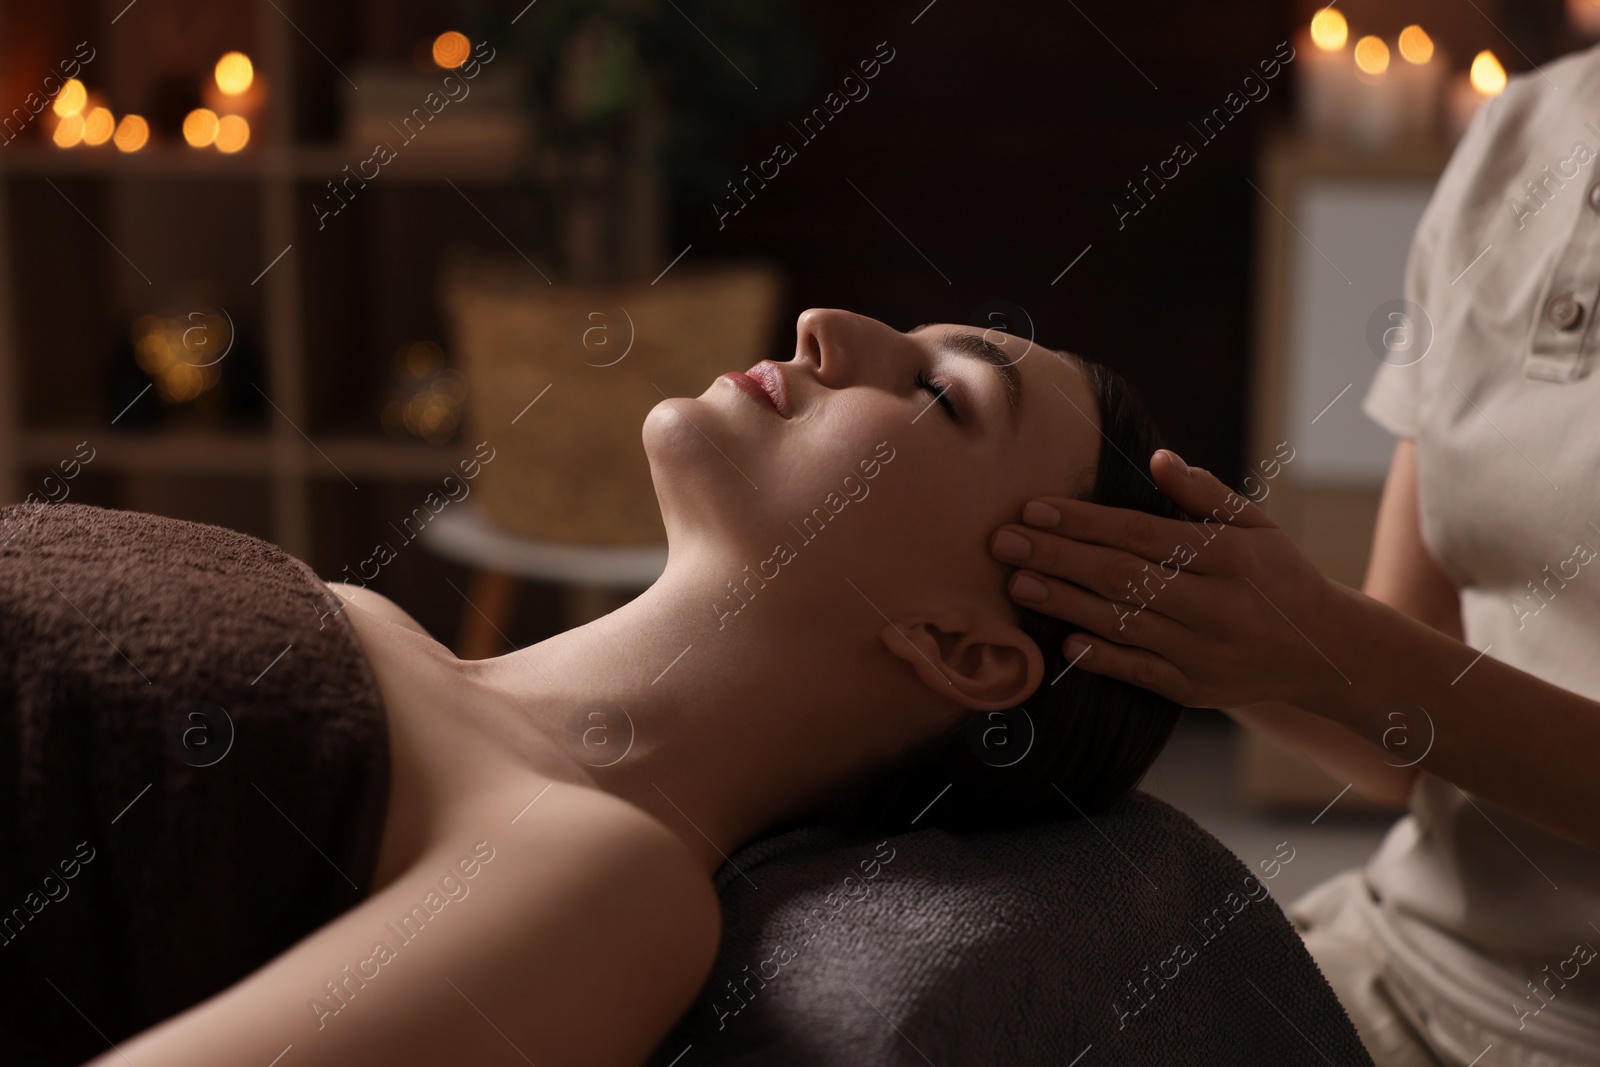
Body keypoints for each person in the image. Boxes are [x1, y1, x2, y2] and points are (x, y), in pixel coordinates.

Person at [77, 310, 1185, 1067]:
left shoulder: (605, 881)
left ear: (963, 647)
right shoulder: (366, 616)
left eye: (943, 395)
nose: (830, 328)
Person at [987, 44, 1600, 1067]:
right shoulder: (1520, 138)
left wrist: (1321, 644)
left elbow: (1363, 667)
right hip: (1403, 963)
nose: (819, 335)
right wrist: (1198, 626)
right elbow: (1394, 743)